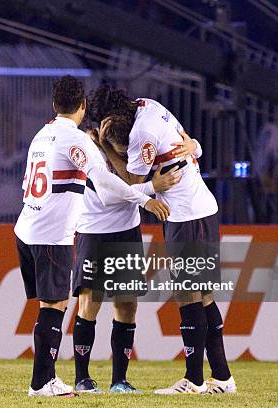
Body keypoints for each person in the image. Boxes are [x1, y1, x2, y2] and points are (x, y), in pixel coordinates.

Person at [14, 76, 170, 397]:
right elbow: (108, 185)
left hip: (113, 227)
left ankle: (117, 381)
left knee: (124, 306)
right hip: (88, 227)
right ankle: (75, 378)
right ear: (84, 107)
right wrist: (149, 194)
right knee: (83, 303)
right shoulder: (84, 139)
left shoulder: (45, 135)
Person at [88, 85, 236, 394]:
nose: (108, 131)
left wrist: (104, 146)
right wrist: (195, 146)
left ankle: (194, 380)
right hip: (199, 208)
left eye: (105, 123)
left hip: (185, 214)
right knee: (204, 296)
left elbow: (131, 183)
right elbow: (190, 147)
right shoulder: (148, 105)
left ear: (112, 117)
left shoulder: (141, 134)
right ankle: (221, 377)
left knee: (189, 296)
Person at [72, 115, 181, 394]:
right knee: (89, 304)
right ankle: (82, 379)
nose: (125, 154)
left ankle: (119, 380)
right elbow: (109, 195)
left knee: (127, 306)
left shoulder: (133, 148)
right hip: (94, 230)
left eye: (126, 149)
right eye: (119, 148)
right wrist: (152, 188)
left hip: (127, 230)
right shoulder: (87, 147)